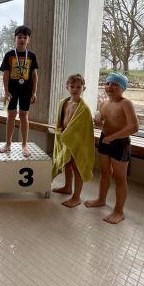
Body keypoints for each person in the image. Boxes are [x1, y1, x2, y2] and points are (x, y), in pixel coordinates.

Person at [85, 72, 139, 224]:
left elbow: (134, 127)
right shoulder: (104, 104)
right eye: (108, 83)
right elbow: (104, 122)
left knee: (119, 178)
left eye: (115, 84)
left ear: (123, 88)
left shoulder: (126, 104)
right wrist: (98, 122)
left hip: (120, 143)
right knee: (104, 173)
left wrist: (113, 137)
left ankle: (119, 211)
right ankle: (101, 199)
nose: (110, 86)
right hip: (105, 140)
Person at [52, 74, 95, 207]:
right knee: (67, 164)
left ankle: (76, 197)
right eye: (72, 86)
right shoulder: (64, 103)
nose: (75, 89)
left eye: (78, 87)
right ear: (67, 87)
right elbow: (61, 119)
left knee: (77, 167)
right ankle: (67, 187)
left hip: (77, 141)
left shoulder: (84, 108)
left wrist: (69, 134)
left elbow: (84, 129)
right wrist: (59, 128)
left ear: (84, 88)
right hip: (65, 139)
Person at [0, 25, 38, 157]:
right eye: (19, 37)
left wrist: (34, 92)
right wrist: (6, 92)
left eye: (25, 37)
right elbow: (5, 75)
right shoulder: (9, 55)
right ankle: (8, 144)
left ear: (29, 40)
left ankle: (24, 144)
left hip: (26, 91)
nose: (22, 40)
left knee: (24, 116)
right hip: (12, 91)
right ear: (15, 39)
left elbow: (34, 75)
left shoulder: (31, 56)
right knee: (11, 115)